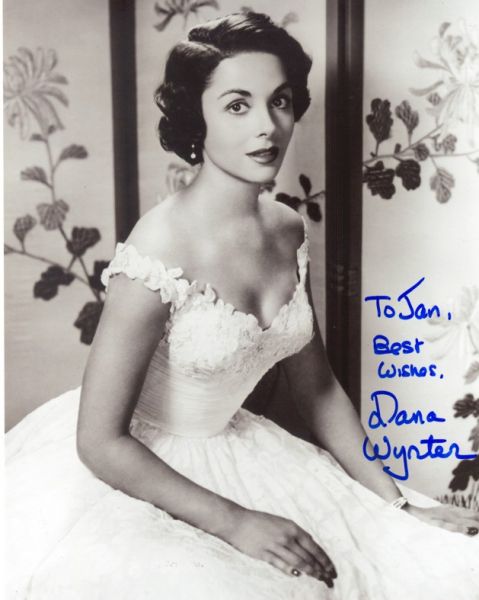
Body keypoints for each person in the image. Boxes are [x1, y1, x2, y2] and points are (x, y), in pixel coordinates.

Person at [6, 11, 479, 600]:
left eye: (279, 101)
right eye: (237, 105)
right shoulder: (159, 246)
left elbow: (318, 390)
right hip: (138, 474)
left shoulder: (288, 228)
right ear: (195, 119)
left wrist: (397, 505)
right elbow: (99, 442)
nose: (267, 127)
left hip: (245, 453)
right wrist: (236, 523)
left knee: (442, 566)